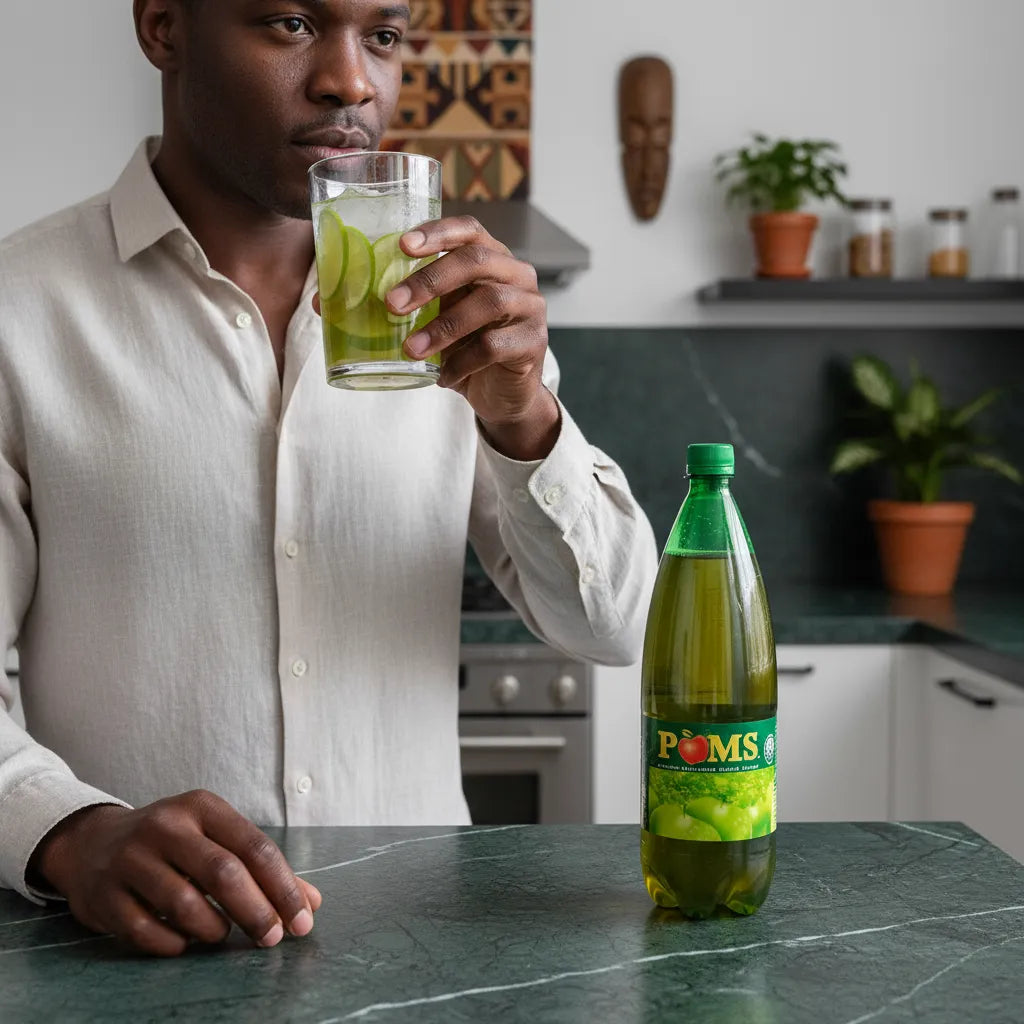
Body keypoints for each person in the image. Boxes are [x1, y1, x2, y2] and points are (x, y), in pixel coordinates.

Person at [0, 0, 657, 956]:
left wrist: (524, 419)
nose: (350, 80)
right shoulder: (19, 312)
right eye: (290, 23)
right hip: (129, 957)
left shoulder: (459, 320)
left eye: (382, 37)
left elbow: (616, 627)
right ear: (164, 27)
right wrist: (70, 832)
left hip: (414, 950)